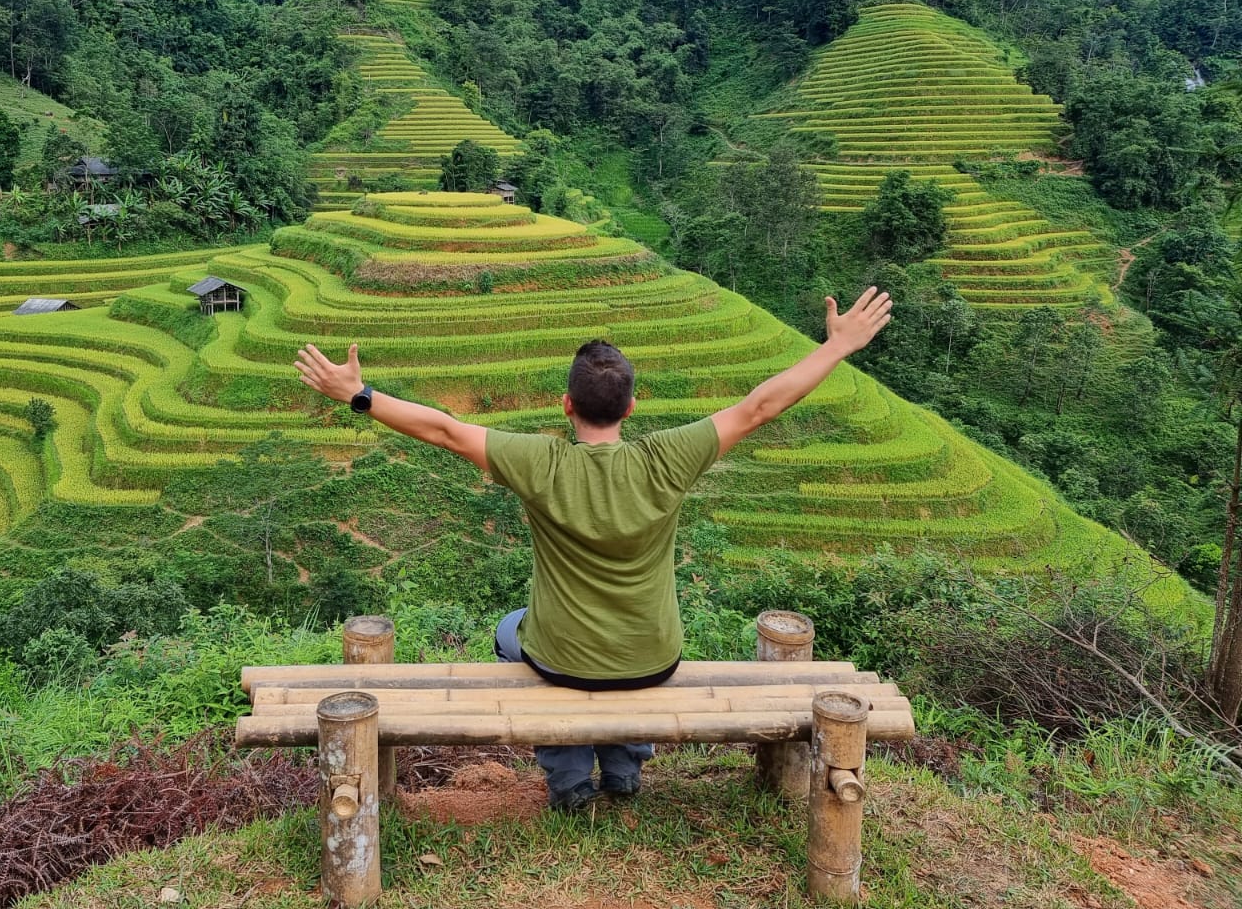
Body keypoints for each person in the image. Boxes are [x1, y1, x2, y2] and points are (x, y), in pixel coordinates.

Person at [294, 285, 893, 810]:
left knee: (510, 631)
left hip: (562, 657)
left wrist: (359, 394)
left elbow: (446, 429)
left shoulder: (539, 462)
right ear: (632, 406)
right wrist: (837, 346)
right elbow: (762, 405)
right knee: (581, 645)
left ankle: (571, 780)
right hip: (653, 658)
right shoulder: (668, 457)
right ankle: (625, 771)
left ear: (567, 405)